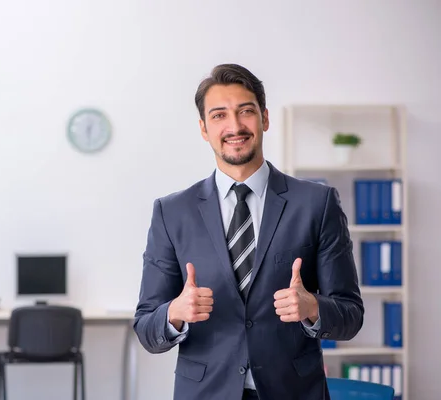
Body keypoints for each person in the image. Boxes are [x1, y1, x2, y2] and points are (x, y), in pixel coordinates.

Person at [133, 64, 364, 400]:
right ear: (203, 128)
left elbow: (351, 315)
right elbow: (145, 326)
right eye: (219, 115)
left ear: (264, 118)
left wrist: (313, 307)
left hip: (293, 391)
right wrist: (175, 314)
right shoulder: (172, 212)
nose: (235, 126)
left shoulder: (317, 203)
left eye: (246, 111)